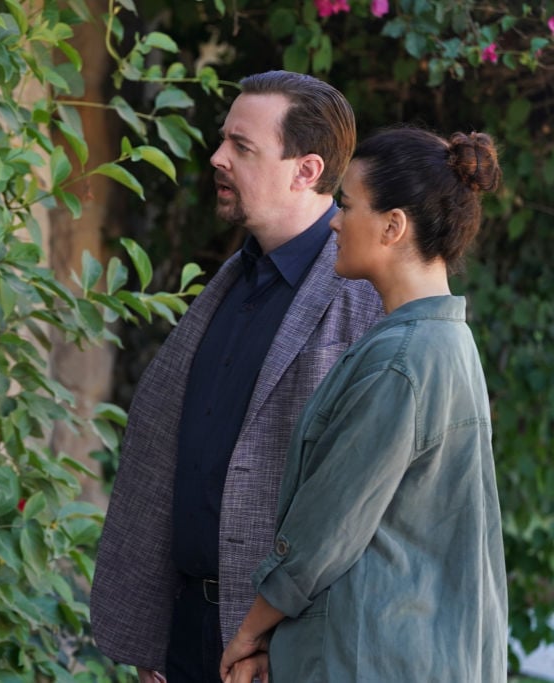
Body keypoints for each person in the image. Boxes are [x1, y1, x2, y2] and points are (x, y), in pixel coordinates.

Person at [90, 70, 384, 682]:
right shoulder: (233, 281)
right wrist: (155, 638)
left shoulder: (365, 297)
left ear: (306, 169)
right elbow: (173, 453)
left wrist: (293, 649)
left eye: (242, 147)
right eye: (225, 139)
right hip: (188, 637)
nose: (218, 157)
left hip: (287, 654)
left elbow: (365, 508)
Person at [218, 126, 508, 683]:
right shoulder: (445, 342)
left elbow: (323, 534)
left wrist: (250, 632)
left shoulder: (402, 359)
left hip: (366, 656)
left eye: (346, 206)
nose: (332, 221)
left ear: (393, 226)